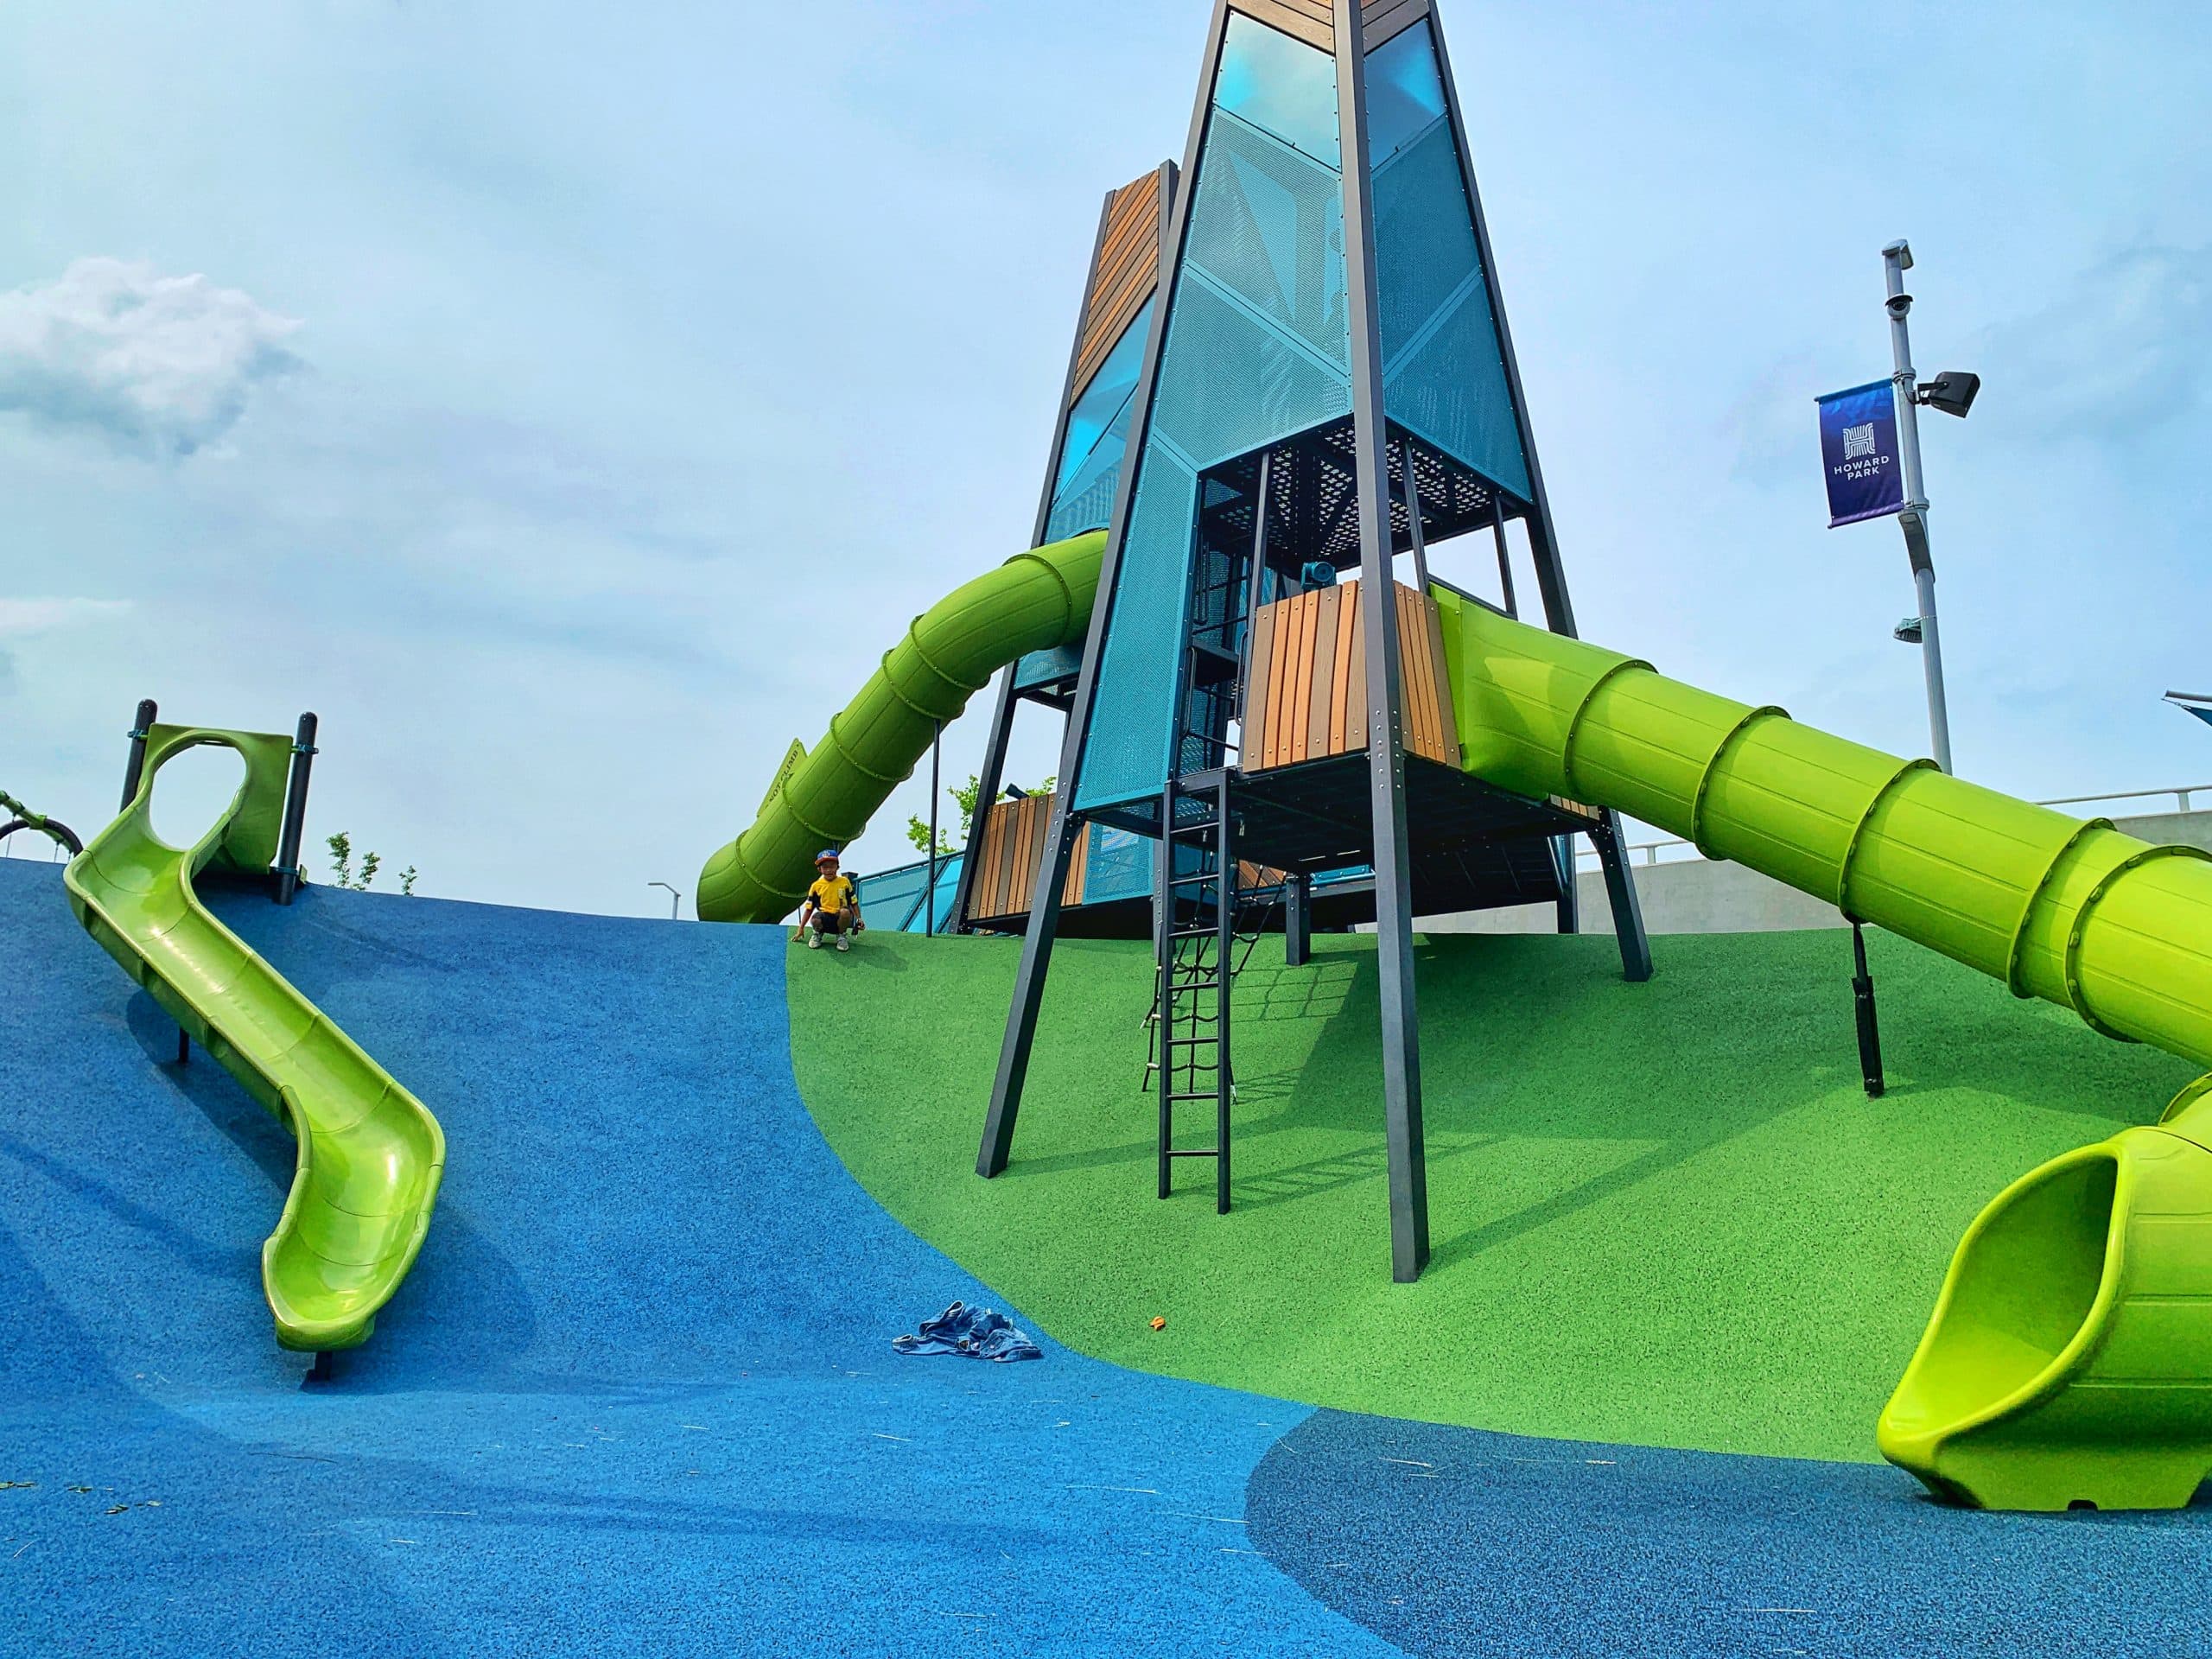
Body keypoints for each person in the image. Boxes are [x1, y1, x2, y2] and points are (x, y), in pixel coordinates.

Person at [791, 849, 864, 951]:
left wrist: (859, 919)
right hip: (825, 918)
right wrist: (801, 928)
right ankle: (818, 934)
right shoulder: (816, 886)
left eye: (832, 866)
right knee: (815, 919)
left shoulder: (844, 882)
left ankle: (841, 936)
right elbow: (809, 908)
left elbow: (854, 902)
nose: (829, 870)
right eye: (825, 867)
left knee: (845, 912)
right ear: (819, 869)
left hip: (839, 920)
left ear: (837, 867)